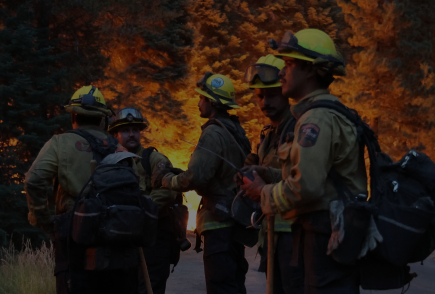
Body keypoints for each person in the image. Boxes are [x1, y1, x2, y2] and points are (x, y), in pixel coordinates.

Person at [241, 29, 366, 294]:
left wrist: (262, 192)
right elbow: (319, 176)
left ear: (310, 70)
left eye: (289, 64)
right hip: (331, 236)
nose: (282, 73)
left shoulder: (315, 119)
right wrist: (267, 172)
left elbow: (306, 187)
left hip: (324, 240)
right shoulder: (326, 113)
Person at [24, 85, 139, 294]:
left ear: (73, 116)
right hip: (117, 239)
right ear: (102, 119)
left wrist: (45, 221)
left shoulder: (60, 143)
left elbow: (34, 179)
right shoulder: (119, 148)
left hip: (73, 238)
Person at [153, 72, 252, 294]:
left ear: (212, 102)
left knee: (220, 286)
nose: (198, 103)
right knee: (235, 284)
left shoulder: (213, 133)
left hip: (218, 223)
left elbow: (194, 177)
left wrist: (167, 180)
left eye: (202, 98)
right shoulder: (236, 131)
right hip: (235, 221)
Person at [109, 106, 186, 294]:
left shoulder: (153, 159)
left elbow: (168, 191)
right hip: (123, 239)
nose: (132, 134)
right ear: (116, 134)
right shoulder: (110, 162)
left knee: (150, 287)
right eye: (126, 131)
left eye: (135, 130)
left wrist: (140, 212)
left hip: (154, 238)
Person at [244, 55, 303, 294]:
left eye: (271, 95)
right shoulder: (270, 135)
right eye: (259, 96)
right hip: (271, 234)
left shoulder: (301, 127)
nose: (264, 102)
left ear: (285, 90)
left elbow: (301, 180)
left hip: (295, 235)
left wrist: (264, 173)